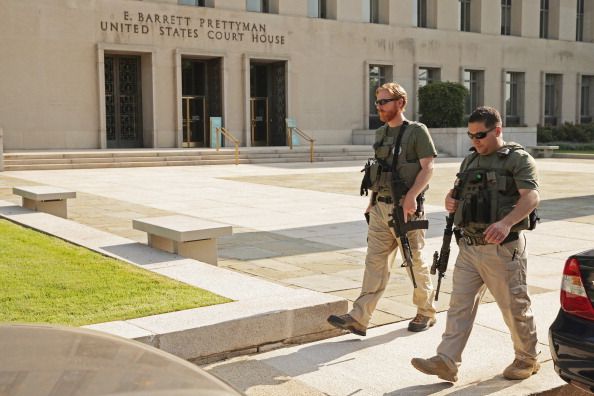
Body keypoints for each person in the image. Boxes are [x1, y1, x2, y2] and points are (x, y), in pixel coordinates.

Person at [411, 106, 540, 382]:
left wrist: (506, 222)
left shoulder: (517, 159)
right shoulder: (470, 161)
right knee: (459, 306)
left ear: (498, 130)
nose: (475, 141)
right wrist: (450, 199)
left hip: (502, 248)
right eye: (471, 136)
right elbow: (459, 191)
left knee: (513, 306)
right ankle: (446, 361)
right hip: (468, 246)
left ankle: (527, 358)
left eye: (480, 135)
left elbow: (531, 197)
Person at [327, 82, 437, 335]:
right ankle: (359, 317)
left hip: (407, 209)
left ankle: (426, 312)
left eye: (384, 101)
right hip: (380, 208)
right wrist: (371, 201)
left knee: (414, 261)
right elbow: (379, 171)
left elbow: (428, 167)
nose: (379, 106)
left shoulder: (416, 131)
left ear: (400, 103)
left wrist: (412, 197)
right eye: (377, 102)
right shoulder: (380, 134)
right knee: (374, 263)